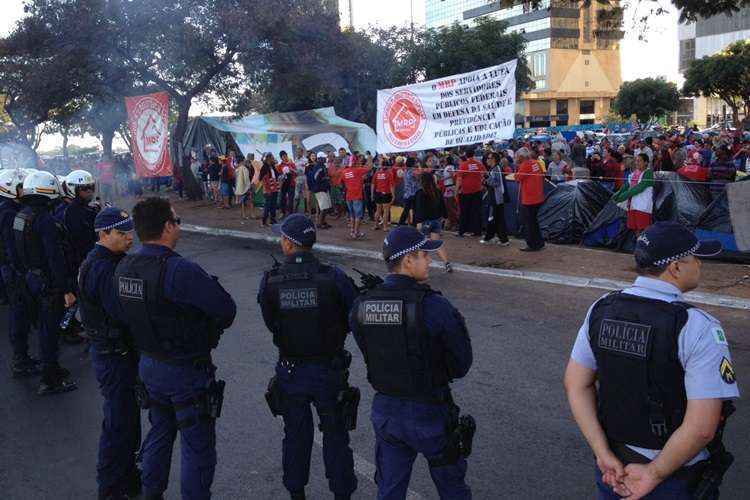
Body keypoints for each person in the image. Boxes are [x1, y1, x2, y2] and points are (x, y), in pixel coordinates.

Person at [564, 222, 739, 500]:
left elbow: (576, 384)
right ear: (676, 268)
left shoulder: (601, 308)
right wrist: (655, 473)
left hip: (613, 467)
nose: (700, 265)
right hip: (672, 476)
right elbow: (702, 427)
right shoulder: (698, 326)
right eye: (696, 258)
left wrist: (602, 451)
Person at [114, 197, 237, 499]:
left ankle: (151, 492)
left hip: (149, 366)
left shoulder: (124, 267)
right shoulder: (179, 269)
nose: (178, 226)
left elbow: (121, 315)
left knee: (159, 432)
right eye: (177, 221)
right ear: (167, 227)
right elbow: (226, 309)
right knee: (197, 447)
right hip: (184, 369)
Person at [349, 225, 473, 500]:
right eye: (423, 256)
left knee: (390, 489)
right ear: (407, 260)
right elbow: (461, 364)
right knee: (452, 489)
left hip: (387, 410)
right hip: (429, 410)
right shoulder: (434, 305)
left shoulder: (362, 303)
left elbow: (367, 347)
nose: (429, 260)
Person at [257, 214, 359, 500]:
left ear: (289, 244)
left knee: (295, 436)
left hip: (292, 370)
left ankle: (296, 493)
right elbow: (353, 316)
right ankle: (342, 493)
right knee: (336, 436)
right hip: (329, 368)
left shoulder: (271, 280)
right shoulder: (333, 277)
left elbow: (270, 321)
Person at [78, 207, 141, 500]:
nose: (130, 237)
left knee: (127, 423)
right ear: (104, 235)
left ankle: (127, 477)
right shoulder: (103, 268)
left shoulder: (109, 261)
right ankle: (113, 487)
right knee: (119, 425)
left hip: (117, 353)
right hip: (114, 355)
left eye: (129, 231)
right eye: (122, 232)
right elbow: (122, 312)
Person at [13, 171, 78, 394]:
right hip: (48, 283)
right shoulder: (45, 220)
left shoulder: (21, 215)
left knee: (42, 326)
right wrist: (66, 289)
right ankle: (50, 378)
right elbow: (55, 258)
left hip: (30, 278)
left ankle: (50, 368)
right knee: (49, 330)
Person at [0, 169, 40, 377]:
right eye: (20, 186)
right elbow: (10, 247)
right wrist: (21, 271)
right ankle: (20, 359)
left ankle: (22, 356)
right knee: (19, 314)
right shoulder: (7, 213)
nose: (24, 190)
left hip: (14, 270)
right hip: (14, 272)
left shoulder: (12, 208)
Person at [414, 172, 451, 272]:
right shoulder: (437, 191)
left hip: (424, 222)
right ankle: (447, 263)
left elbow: (419, 209)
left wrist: (418, 222)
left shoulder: (421, 192)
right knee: (436, 244)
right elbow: (443, 205)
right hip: (436, 221)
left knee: (422, 246)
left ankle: (419, 268)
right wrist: (446, 217)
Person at [614, 153, 654, 237]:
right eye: (636, 161)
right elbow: (627, 185)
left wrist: (625, 195)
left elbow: (640, 187)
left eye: (639, 161)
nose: (637, 163)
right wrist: (618, 193)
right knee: (635, 229)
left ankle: (643, 246)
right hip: (632, 204)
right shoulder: (635, 173)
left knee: (643, 228)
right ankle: (638, 244)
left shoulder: (648, 173)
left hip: (642, 206)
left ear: (646, 163)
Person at [515, 148, 546, 252]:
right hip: (538, 196)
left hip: (529, 199)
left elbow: (517, 178)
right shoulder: (535, 163)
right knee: (534, 222)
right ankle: (539, 242)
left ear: (521, 157)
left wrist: (517, 168)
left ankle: (532, 244)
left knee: (529, 223)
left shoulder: (525, 165)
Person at [481, 152, 510, 247]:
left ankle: (500, 239)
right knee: (495, 218)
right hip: (495, 198)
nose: (487, 160)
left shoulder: (496, 169)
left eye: (489, 158)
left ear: (493, 159)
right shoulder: (494, 169)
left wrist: (486, 178)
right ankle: (495, 237)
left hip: (497, 198)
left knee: (495, 218)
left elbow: (496, 183)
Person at [456, 149, 485, 237]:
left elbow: (459, 179)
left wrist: (456, 191)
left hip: (466, 192)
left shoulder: (463, 165)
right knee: (477, 212)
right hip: (478, 191)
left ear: (466, 155)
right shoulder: (479, 164)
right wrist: (481, 183)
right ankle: (477, 231)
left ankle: (462, 231)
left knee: (464, 212)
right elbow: (485, 174)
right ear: (473, 154)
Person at [341, 157, 370, 239]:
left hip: (348, 196)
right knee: (358, 216)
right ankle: (356, 232)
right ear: (356, 162)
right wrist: (370, 159)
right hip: (357, 196)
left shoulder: (344, 171)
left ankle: (352, 231)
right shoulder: (358, 170)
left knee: (352, 215)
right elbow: (369, 168)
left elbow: (344, 181)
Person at [308, 152, 332, 229]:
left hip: (324, 189)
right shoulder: (318, 167)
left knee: (326, 207)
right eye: (324, 158)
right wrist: (325, 178)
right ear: (320, 159)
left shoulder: (323, 166)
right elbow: (316, 178)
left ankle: (323, 222)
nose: (325, 159)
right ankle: (319, 224)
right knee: (324, 208)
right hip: (319, 189)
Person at [372, 159, 395, 230]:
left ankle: (375, 225)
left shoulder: (377, 173)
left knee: (378, 210)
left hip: (378, 193)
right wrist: (393, 195)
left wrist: (372, 194)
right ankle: (385, 227)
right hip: (386, 193)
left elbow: (373, 184)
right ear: (388, 166)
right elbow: (391, 186)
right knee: (386, 211)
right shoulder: (389, 174)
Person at [260, 154, 280, 227]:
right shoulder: (264, 167)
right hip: (268, 189)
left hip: (274, 188)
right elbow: (262, 179)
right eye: (272, 158)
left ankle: (272, 220)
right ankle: (263, 221)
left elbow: (276, 175)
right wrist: (266, 189)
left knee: (273, 205)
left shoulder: (273, 167)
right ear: (268, 159)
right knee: (267, 205)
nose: (273, 159)